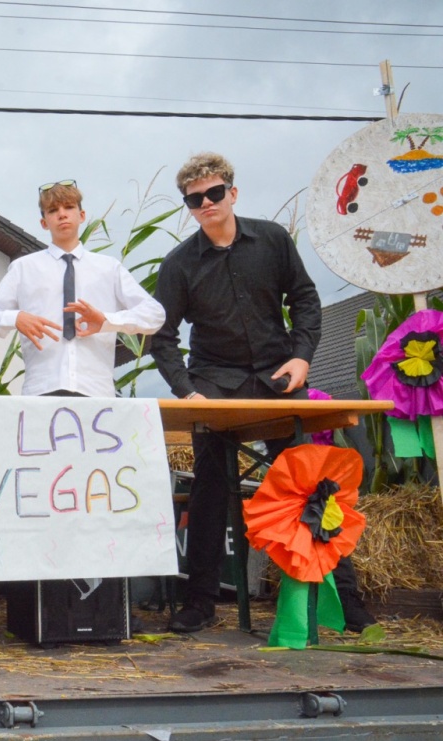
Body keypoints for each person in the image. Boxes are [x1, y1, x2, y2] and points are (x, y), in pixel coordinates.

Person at [150, 152, 374, 633]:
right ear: (188, 205)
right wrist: (187, 392)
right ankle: (200, 603)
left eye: (214, 193)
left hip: (279, 375)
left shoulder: (272, 240)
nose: (206, 203)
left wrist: (302, 356)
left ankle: (345, 600)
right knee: (209, 486)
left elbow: (306, 298)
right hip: (213, 383)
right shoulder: (178, 264)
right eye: (195, 199)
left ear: (232, 192)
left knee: (311, 485)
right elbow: (161, 337)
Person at [0, 179, 164, 397]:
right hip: (41, 390)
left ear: (82, 215)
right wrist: (16, 318)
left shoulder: (109, 268)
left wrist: (106, 321)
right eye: (52, 210)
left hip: (96, 392)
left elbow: (154, 315)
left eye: (69, 207)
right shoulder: (23, 268)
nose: (62, 214)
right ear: (43, 222)